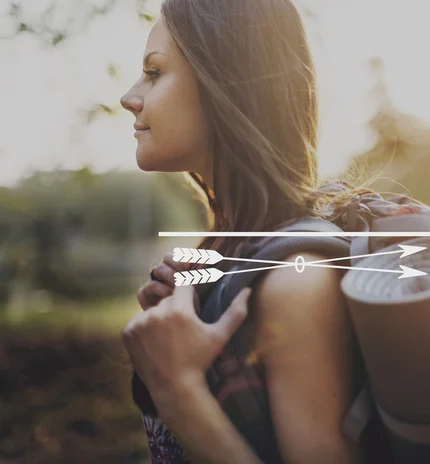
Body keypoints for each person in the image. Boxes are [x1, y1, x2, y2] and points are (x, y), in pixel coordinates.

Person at [119, 1, 378, 462]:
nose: (130, 97)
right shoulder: (228, 257)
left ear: (225, 83)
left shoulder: (297, 281)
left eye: (154, 72)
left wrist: (177, 388)